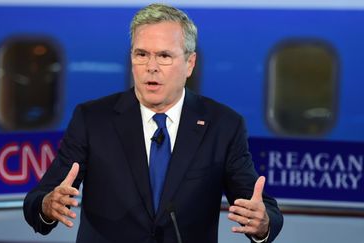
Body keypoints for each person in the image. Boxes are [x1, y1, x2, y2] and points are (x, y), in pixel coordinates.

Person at [23, 3, 283, 243]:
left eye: (164, 56)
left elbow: (263, 209)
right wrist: (48, 205)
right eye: (142, 54)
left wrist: (262, 223)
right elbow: (37, 201)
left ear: (189, 64)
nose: (151, 67)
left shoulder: (223, 125)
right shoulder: (92, 119)